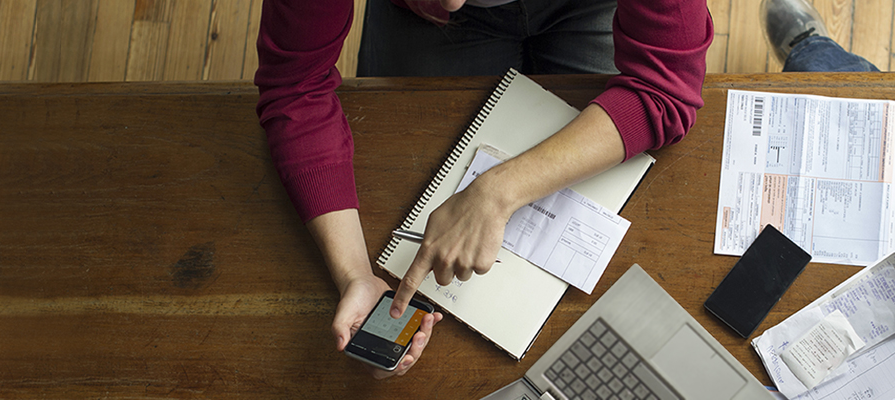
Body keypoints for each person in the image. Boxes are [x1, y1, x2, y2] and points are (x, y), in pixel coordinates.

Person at [254, 0, 712, 378]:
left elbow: (663, 90)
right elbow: (296, 86)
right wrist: (355, 273)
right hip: (421, 18)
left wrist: (500, 190)